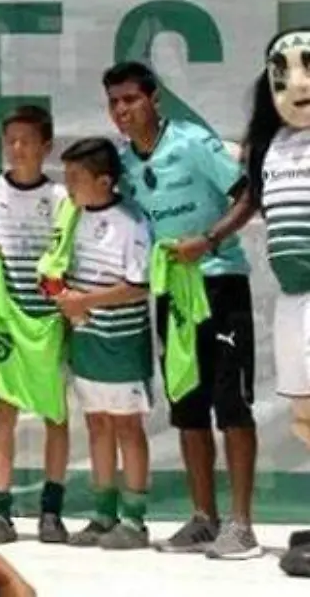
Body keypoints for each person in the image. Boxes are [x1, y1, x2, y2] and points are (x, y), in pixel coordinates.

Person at [104, 61, 260, 559]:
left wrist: (208, 240)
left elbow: (248, 196)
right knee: (188, 407)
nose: (122, 110)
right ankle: (203, 520)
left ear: (154, 99)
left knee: (230, 404)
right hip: (171, 293)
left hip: (220, 284)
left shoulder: (192, 142)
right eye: (114, 102)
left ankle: (242, 525)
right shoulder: (124, 164)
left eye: (131, 99)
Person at [0, 106, 70, 545]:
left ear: (46, 146)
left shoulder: (62, 197)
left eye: (26, 140)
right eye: (10, 140)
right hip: (6, 317)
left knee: (55, 413)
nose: (17, 148)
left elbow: (66, 256)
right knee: (4, 411)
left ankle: (51, 512)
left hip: (48, 319)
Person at [54, 138, 153, 551]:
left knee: (127, 426)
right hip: (87, 341)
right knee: (97, 424)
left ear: (104, 181)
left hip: (123, 342)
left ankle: (134, 520)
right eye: (66, 176)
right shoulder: (70, 218)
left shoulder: (132, 221)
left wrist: (86, 302)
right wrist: (62, 296)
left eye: (76, 177)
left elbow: (138, 285)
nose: (68, 185)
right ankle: (103, 514)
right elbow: (57, 267)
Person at [241, 27, 310, 578]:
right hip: (292, 299)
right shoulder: (272, 147)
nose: (298, 84)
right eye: (282, 74)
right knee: (304, 416)